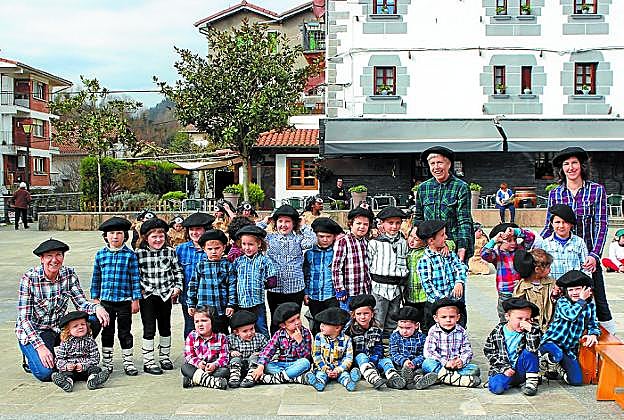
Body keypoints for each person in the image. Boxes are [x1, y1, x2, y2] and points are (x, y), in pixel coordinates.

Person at [541, 146, 615, 334]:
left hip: (587, 258)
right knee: (560, 298)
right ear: (561, 168)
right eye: (566, 164)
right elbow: (549, 226)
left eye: (574, 163)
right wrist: (535, 247)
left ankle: (609, 338)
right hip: (561, 257)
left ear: (582, 166)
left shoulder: (596, 190)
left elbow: (601, 224)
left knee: (598, 299)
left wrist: (595, 255)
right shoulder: (555, 194)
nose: (571, 167)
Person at [16, 239, 109, 382]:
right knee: (46, 373)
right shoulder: (29, 279)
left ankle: (78, 355)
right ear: (42, 259)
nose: (54, 260)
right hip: (36, 332)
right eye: (49, 256)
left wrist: (98, 307)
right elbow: (25, 319)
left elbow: (81, 303)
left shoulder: (68, 274)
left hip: (58, 329)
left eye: (58, 255)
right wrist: (40, 347)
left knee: (94, 319)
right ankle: (34, 355)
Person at [91, 216, 142, 376]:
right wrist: (95, 298)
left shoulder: (130, 255)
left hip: (124, 301)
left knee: (125, 332)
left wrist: (135, 299)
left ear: (125, 236)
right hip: (106, 302)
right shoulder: (101, 255)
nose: (115, 236)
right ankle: (107, 363)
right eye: (111, 233)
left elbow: (135, 278)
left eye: (119, 233)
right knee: (107, 331)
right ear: (106, 236)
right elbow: (96, 277)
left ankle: (128, 362)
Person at [135, 217, 184, 374]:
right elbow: (135, 275)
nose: (158, 240)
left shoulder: (170, 252)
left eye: (161, 236)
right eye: (154, 237)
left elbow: (177, 271)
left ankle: (164, 357)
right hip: (147, 295)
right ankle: (148, 361)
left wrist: (177, 287)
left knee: (165, 326)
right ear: (146, 238)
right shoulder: (139, 254)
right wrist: (137, 292)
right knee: (149, 327)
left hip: (165, 294)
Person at [257, 205, 316, 333]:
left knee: (294, 321)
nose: (283, 225)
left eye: (287, 221)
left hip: (295, 288)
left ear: (294, 223)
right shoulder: (269, 239)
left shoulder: (299, 239)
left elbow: (312, 241)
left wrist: (303, 225)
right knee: (276, 320)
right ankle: (276, 343)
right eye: (280, 221)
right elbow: (253, 234)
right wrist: (264, 222)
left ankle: (295, 342)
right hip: (275, 288)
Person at [539, 270, 600, 386]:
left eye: (578, 289)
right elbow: (571, 315)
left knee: (576, 381)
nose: (574, 293)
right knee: (557, 353)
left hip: (568, 348)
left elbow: (593, 324)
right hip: (552, 342)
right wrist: (581, 300)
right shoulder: (562, 302)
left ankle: (557, 367)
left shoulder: (590, 306)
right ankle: (543, 361)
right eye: (571, 290)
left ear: (586, 290)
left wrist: (593, 334)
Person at [413, 146, 474, 262]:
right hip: (429, 246)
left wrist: (462, 247)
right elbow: (418, 218)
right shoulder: (423, 188)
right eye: (432, 164)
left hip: (453, 244)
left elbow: (464, 220)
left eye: (440, 163)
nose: (436, 167)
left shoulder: (461, 187)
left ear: (448, 164)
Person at [345, 294, 406, 390]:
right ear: (353, 315)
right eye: (359, 314)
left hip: (374, 359)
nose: (362, 317)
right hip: (358, 361)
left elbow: (379, 347)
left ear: (372, 314)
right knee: (362, 356)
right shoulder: (349, 330)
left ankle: (393, 377)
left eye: (366, 313)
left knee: (386, 361)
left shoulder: (376, 330)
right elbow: (348, 351)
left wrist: (375, 358)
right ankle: (373, 378)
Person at [416, 220, 467, 332]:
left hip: (455, 303)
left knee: (458, 331)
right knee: (435, 333)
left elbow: (461, 267)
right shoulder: (425, 260)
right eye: (442, 235)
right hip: (435, 305)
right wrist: (443, 302)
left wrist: (459, 281)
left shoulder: (449, 254)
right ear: (431, 240)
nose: (446, 237)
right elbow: (427, 285)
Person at [483, 298, 541, 396]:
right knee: (497, 388)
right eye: (519, 318)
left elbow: (533, 349)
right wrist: (504, 368)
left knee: (529, 353)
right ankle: (509, 382)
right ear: (507, 316)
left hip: (521, 369)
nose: (523, 323)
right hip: (503, 369)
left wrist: (531, 331)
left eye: (527, 319)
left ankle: (531, 382)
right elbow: (489, 352)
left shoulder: (532, 331)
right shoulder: (497, 332)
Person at [481, 223, 536, 323]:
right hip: (505, 293)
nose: (513, 243)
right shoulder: (497, 254)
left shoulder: (520, 250)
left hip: (522, 290)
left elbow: (531, 237)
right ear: (499, 242)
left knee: (523, 316)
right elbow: (484, 254)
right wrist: (494, 240)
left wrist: (516, 231)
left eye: (515, 239)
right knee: (505, 317)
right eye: (509, 240)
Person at [368, 206, 409, 338]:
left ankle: (390, 342)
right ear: (382, 224)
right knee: (378, 317)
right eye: (390, 223)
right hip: (379, 287)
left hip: (397, 288)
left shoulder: (404, 243)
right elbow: (368, 264)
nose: (394, 226)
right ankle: (376, 343)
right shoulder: (374, 243)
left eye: (397, 223)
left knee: (393, 317)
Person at [231, 225, 278, 338]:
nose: (247, 248)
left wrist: (262, 283)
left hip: (257, 303)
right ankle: (244, 346)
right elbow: (232, 280)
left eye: (250, 244)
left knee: (261, 327)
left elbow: (272, 280)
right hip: (241, 302)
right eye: (244, 244)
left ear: (259, 244)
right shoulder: (238, 262)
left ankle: (265, 345)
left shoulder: (264, 261)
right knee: (241, 327)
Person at [422, 298, 481, 388]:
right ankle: (456, 380)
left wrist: (461, 361)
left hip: (456, 367)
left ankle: (441, 377)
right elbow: (429, 351)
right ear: (436, 318)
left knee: (475, 369)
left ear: (458, 317)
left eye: (452, 317)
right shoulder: (433, 331)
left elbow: (467, 351)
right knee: (427, 364)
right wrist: (445, 362)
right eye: (444, 317)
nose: (448, 320)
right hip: (440, 364)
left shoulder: (461, 331)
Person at [187, 229, 236, 335]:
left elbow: (232, 286)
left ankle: (223, 346)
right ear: (204, 249)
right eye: (210, 249)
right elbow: (193, 285)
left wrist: (231, 305)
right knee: (205, 333)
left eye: (217, 248)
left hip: (222, 308)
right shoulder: (200, 266)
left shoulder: (227, 265)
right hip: (204, 309)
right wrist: (191, 304)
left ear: (224, 247)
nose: (214, 252)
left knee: (223, 333)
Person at [176, 212, 215, 339]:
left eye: (198, 229)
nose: (194, 232)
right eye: (191, 229)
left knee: (211, 328)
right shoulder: (181, 249)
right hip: (188, 298)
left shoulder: (213, 248)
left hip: (210, 298)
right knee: (190, 327)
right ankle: (191, 351)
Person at [252, 302, 312, 385]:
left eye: (298, 318)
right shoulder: (279, 334)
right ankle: (293, 378)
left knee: (305, 363)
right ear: (283, 325)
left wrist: (300, 341)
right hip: (282, 364)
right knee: (267, 365)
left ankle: (278, 378)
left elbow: (306, 356)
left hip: (297, 363)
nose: (297, 322)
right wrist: (261, 366)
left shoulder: (305, 332)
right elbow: (268, 350)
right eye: (292, 321)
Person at [51, 311, 110, 392]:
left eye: (83, 324)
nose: (80, 327)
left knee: (95, 369)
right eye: (75, 326)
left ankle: (93, 380)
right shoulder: (65, 343)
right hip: (71, 369)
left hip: (85, 368)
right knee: (66, 373)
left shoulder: (90, 341)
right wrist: (66, 366)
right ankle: (67, 383)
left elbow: (95, 358)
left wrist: (84, 365)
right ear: (68, 330)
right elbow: (59, 359)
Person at [304, 217, 343, 335]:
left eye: (328, 236)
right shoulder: (309, 253)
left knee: (332, 323)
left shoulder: (337, 252)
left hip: (332, 295)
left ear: (334, 237)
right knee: (317, 324)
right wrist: (305, 293)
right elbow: (306, 274)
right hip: (314, 295)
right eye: (321, 236)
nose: (325, 239)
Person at [306, 307, 360, 392]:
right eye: (321, 323)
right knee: (321, 375)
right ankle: (319, 383)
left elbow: (348, 358)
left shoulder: (347, 340)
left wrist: (338, 370)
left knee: (344, 375)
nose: (321, 326)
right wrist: (325, 369)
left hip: (339, 368)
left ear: (337, 328)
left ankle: (349, 383)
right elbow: (316, 355)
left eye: (325, 324)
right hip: (324, 368)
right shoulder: (319, 337)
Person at [332, 206, 374, 311]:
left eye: (365, 224)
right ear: (351, 224)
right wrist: (340, 289)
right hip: (349, 292)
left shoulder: (366, 242)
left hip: (364, 290)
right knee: (348, 318)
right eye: (358, 223)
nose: (362, 227)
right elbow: (336, 268)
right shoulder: (343, 242)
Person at [388, 306, 439, 390]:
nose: (404, 331)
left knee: (419, 371)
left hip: (416, 365)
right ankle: (399, 381)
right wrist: (404, 361)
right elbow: (394, 353)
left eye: (408, 328)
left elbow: (423, 354)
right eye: (401, 327)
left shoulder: (422, 337)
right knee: (395, 370)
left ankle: (419, 381)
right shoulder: (394, 336)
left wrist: (414, 362)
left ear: (416, 325)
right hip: (399, 364)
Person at [181, 305, 229, 389]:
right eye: (197, 322)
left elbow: (224, 358)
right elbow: (189, 356)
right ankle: (214, 382)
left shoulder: (221, 337)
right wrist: (198, 363)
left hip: (213, 369)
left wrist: (214, 365)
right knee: (185, 367)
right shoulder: (191, 336)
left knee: (225, 371)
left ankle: (195, 381)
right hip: (197, 368)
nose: (200, 324)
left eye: (204, 321)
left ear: (212, 322)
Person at [539, 204, 591, 280]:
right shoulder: (545, 244)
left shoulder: (579, 242)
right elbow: (541, 268)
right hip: (552, 284)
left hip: (574, 285)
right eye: (557, 222)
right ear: (552, 224)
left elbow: (586, 268)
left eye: (565, 222)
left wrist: (584, 283)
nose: (561, 226)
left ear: (571, 224)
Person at [512, 249, 557, 333]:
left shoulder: (551, 282)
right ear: (537, 269)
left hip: (548, 323)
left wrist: (555, 295)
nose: (550, 269)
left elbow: (555, 300)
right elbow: (517, 304)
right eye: (548, 267)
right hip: (530, 324)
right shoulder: (523, 286)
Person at [227, 310, 269, 388]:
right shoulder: (230, 339)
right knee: (235, 358)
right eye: (245, 331)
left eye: (252, 329)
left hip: (254, 366)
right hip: (238, 366)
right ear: (236, 332)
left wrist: (260, 353)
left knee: (255, 357)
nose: (249, 333)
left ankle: (251, 376)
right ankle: (234, 377)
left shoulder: (260, 338)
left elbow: (268, 350)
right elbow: (224, 350)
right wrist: (231, 352)